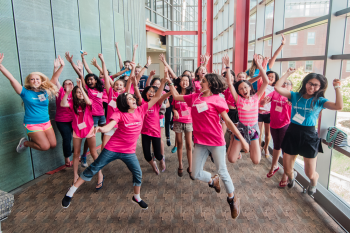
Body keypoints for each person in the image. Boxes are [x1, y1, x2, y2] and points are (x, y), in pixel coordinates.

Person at [61, 75, 165, 210]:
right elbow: (109, 127)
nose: (133, 99)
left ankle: (136, 197)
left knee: (138, 173)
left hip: (129, 151)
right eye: (130, 98)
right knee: (94, 168)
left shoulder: (141, 110)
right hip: (112, 149)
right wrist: (100, 128)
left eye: (133, 98)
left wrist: (162, 82)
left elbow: (156, 97)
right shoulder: (118, 114)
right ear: (123, 102)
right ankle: (70, 192)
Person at [166, 71, 249, 219]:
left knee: (222, 170)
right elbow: (177, 96)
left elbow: (228, 122)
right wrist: (170, 82)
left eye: (203, 80)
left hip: (216, 141)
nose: (199, 82)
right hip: (200, 142)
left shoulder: (218, 99)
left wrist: (242, 140)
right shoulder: (195, 97)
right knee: (195, 173)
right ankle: (212, 180)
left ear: (210, 84)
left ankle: (232, 199)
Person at [275, 69, 343, 195]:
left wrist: (337, 88)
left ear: (320, 87)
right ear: (305, 83)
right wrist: (287, 74)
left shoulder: (320, 101)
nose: (312, 87)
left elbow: (339, 106)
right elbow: (277, 87)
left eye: (315, 85)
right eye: (310, 83)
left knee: (309, 173)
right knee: (288, 169)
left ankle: (313, 181)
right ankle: (292, 176)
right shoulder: (295, 96)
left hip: (309, 135)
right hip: (292, 132)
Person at [0, 53, 58, 153]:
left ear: (41, 81)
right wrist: (0, 66)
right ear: (29, 81)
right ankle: (25, 143)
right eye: (32, 79)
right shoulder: (24, 92)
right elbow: (12, 79)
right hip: (33, 124)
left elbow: (54, 79)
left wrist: (60, 66)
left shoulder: (45, 91)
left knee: (53, 145)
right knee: (45, 147)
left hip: (46, 122)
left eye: (37, 79)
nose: (35, 80)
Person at [60, 75, 104, 189]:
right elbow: (62, 104)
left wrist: (80, 87)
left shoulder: (88, 104)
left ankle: (100, 174)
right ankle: (75, 176)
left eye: (81, 92)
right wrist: (67, 92)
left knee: (94, 153)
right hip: (77, 131)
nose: (79, 94)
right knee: (76, 154)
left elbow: (89, 102)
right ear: (74, 94)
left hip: (89, 130)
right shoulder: (72, 104)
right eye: (78, 92)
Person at [225, 54, 269, 165]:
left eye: (245, 87)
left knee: (256, 161)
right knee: (231, 159)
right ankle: (236, 142)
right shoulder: (238, 99)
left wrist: (260, 67)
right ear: (238, 92)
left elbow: (266, 82)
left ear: (250, 87)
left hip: (253, 130)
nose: (244, 90)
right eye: (240, 89)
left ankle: (250, 146)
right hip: (241, 129)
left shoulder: (256, 97)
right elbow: (230, 83)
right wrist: (228, 67)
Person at [260, 78, 293, 186]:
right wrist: (263, 101)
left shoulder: (292, 96)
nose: (284, 85)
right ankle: (274, 165)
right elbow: (262, 102)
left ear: (291, 87)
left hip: (285, 124)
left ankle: (286, 173)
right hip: (274, 123)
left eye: (286, 84)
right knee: (276, 145)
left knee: (285, 150)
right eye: (282, 83)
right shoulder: (274, 93)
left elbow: (297, 112)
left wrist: (292, 104)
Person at [141, 71, 170, 174]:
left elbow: (160, 96)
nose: (152, 93)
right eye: (149, 92)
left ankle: (161, 160)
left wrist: (164, 83)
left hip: (155, 132)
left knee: (158, 155)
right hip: (144, 132)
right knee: (147, 155)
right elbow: (139, 91)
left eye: (154, 92)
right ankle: (153, 165)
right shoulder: (143, 103)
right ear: (145, 94)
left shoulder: (157, 103)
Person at [169, 74, 194, 179]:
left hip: (189, 122)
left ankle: (191, 167)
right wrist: (174, 111)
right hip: (178, 122)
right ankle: (180, 165)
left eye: (187, 80)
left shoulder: (192, 94)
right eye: (183, 80)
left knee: (189, 145)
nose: (185, 82)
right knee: (179, 144)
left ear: (189, 82)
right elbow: (173, 107)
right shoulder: (176, 94)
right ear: (179, 83)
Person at [52, 56, 74, 167]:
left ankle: (76, 154)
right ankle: (67, 158)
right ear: (64, 86)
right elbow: (55, 80)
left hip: (73, 120)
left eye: (70, 83)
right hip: (62, 120)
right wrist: (56, 68)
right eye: (66, 83)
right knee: (67, 138)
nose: (68, 85)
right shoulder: (60, 91)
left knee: (77, 136)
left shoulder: (75, 94)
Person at [257, 71, 279, 158]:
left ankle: (266, 147)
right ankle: (258, 147)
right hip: (259, 111)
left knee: (267, 133)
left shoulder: (276, 89)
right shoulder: (262, 86)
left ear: (275, 79)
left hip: (269, 113)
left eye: (272, 77)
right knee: (259, 132)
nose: (269, 78)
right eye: (268, 76)